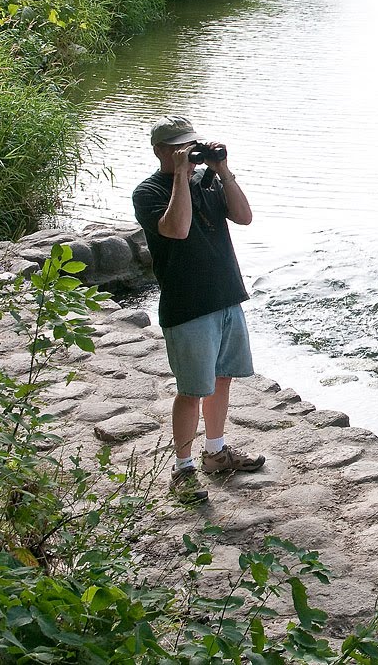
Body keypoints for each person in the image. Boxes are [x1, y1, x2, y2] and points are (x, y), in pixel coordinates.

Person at [133, 115, 265, 504]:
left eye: (191, 145)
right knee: (191, 390)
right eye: (180, 148)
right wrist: (179, 176)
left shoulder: (207, 180)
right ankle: (183, 469)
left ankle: (216, 452)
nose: (189, 154)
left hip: (226, 297)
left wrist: (222, 169)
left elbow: (244, 216)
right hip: (187, 306)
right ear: (160, 151)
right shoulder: (148, 192)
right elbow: (177, 229)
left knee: (222, 379)